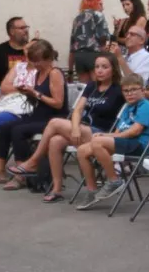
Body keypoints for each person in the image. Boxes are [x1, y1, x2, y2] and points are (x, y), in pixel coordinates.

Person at [8, 53, 123, 202]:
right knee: (55, 141)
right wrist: (75, 128)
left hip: (101, 134)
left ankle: (33, 162)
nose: (99, 71)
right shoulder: (91, 86)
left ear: (113, 70)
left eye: (104, 67)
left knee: (55, 122)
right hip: (82, 128)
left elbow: (139, 92)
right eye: (97, 67)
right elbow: (78, 110)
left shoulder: (118, 90)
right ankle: (56, 189)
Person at [0, 40, 66, 185]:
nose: (35, 64)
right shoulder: (39, 73)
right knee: (4, 127)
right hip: (37, 114)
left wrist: (35, 93)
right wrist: (27, 93)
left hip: (52, 118)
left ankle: (21, 174)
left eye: (38, 61)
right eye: (33, 61)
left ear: (48, 59)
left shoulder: (55, 73)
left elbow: (58, 103)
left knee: (19, 130)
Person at [76, 74, 149, 207]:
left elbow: (135, 131)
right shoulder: (127, 107)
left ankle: (114, 180)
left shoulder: (146, 106)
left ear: (143, 91)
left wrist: (107, 137)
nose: (130, 93)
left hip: (139, 145)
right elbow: (119, 130)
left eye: (134, 89)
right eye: (126, 91)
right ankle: (91, 190)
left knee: (98, 141)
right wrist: (109, 136)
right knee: (82, 150)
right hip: (126, 142)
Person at [68, 0, 112, 80]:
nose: (102, 7)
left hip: (79, 57)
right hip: (94, 55)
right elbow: (103, 37)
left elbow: (72, 46)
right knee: (97, 87)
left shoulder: (77, 18)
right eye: (100, 4)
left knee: (85, 88)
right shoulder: (98, 15)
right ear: (93, 3)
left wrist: (70, 71)